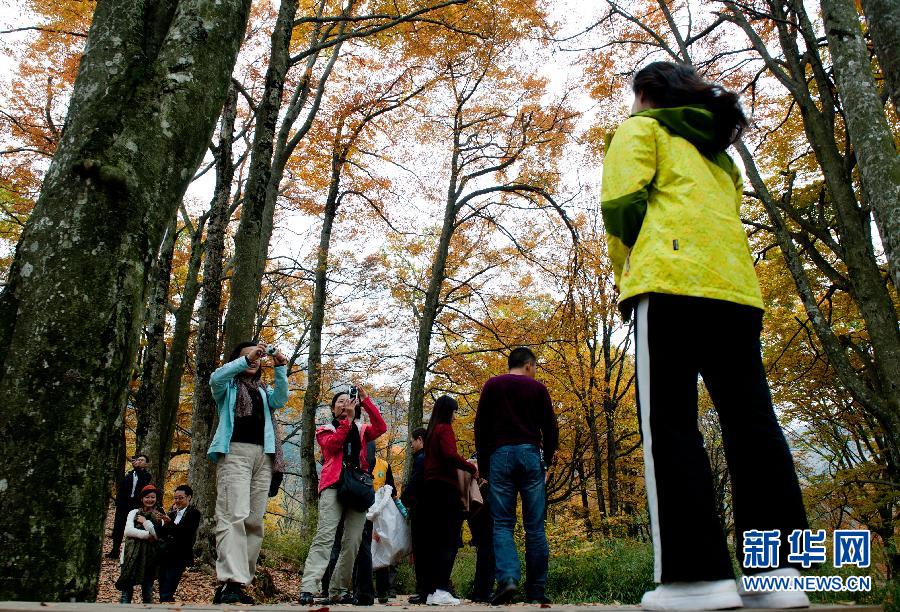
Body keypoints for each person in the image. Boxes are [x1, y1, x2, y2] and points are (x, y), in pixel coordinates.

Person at [600, 61, 810, 610]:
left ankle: (696, 579)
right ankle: (779, 579)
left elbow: (621, 204)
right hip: (736, 292)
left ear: (647, 95)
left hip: (668, 285)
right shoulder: (719, 156)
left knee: (669, 423)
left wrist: (627, 268)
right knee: (753, 425)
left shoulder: (640, 130)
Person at [474, 346, 558, 605]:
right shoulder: (538, 389)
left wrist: (485, 467)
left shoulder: (492, 386)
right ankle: (536, 590)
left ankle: (508, 579)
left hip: (500, 456)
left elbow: (480, 428)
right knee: (534, 526)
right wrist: (546, 461)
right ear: (529, 365)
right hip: (530, 454)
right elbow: (551, 428)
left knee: (502, 524)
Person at [207, 340, 289, 605]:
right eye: (248, 357)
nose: (254, 360)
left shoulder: (264, 392)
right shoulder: (227, 387)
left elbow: (282, 398)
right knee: (234, 515)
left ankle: (240, 582)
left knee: (254, 521)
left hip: (263, 457)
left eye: (257, 357)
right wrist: (245, 358)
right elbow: (216, 376)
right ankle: (230, 580)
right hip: (235, 454)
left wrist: (280, 369)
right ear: (238, 360)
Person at [298, 387, 387, 605]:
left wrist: (365, 401)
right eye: (339, 402)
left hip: (358, 487)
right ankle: (309, 587)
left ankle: (338, 589)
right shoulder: (325, 430)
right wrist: (347, 420)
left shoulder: (363, 429)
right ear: (332, 408)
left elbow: (381, 427)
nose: (344, 403)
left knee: (353, 541)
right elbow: (333, 445)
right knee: (325, 535)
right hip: (333, 485)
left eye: (349, 401)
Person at [421, 395, 478, 606]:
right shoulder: (444, 429)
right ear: (448, 411)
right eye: (454, 412)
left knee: (435, 541)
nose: (455, 416)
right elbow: (450, 455)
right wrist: (472, 468)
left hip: (431, 490)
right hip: (445, 490)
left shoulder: (430, 432)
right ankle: (441, 589)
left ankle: (431, 591)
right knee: (449, 540)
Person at [115, 484, 165, 603]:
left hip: (150, 558)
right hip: (129, 556)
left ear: (156, 498)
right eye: (147, 497)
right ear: (142, 498)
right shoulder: (133, 512)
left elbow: (158, 535)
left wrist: (145, 522)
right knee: (126, 593)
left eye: (153, 497)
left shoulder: (159, 515)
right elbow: (128, 531)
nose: (150, 500)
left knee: (147, 593)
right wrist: (148, 536)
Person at [156, 484, 202, 603]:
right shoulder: (171, 513)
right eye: (175, 498)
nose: (177, 501)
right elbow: (162, 534)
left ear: (189, 497)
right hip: (164, 555)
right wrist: (159, 522)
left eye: (180, 498)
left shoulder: (194, 513)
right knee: (162, 588)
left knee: (168, 589)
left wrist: (170, 523)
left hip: (179, 556)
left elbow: (186, 533)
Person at [401, 427, 428, 605]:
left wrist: (405, 498)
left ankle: (422, 590)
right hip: (430, 509)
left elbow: (416, 482)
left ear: (419, 439)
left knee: (421, 549)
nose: (411, 446)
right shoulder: (433, 457)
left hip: (422, 509)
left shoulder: (421, 459)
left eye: (412, 442)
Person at [108, 453, 153, 559]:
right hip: (123, 505)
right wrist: (118, 502)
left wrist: (137, 468)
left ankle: (130, 552)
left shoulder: (146, 475)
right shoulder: (129, 475)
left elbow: (143, 482)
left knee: (133, 527)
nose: (139, 461)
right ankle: (115, 551)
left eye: (142, 460)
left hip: (136, 505)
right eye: (138, 459)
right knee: (118, 527)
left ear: (146, 464)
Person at [466, 454, 494, 603]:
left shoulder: (481, 454)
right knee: (488, 549)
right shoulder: (483, 456)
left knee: (485, 549)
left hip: (476, 508)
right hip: (482, 507)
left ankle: (480, 591)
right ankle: (484, 591)